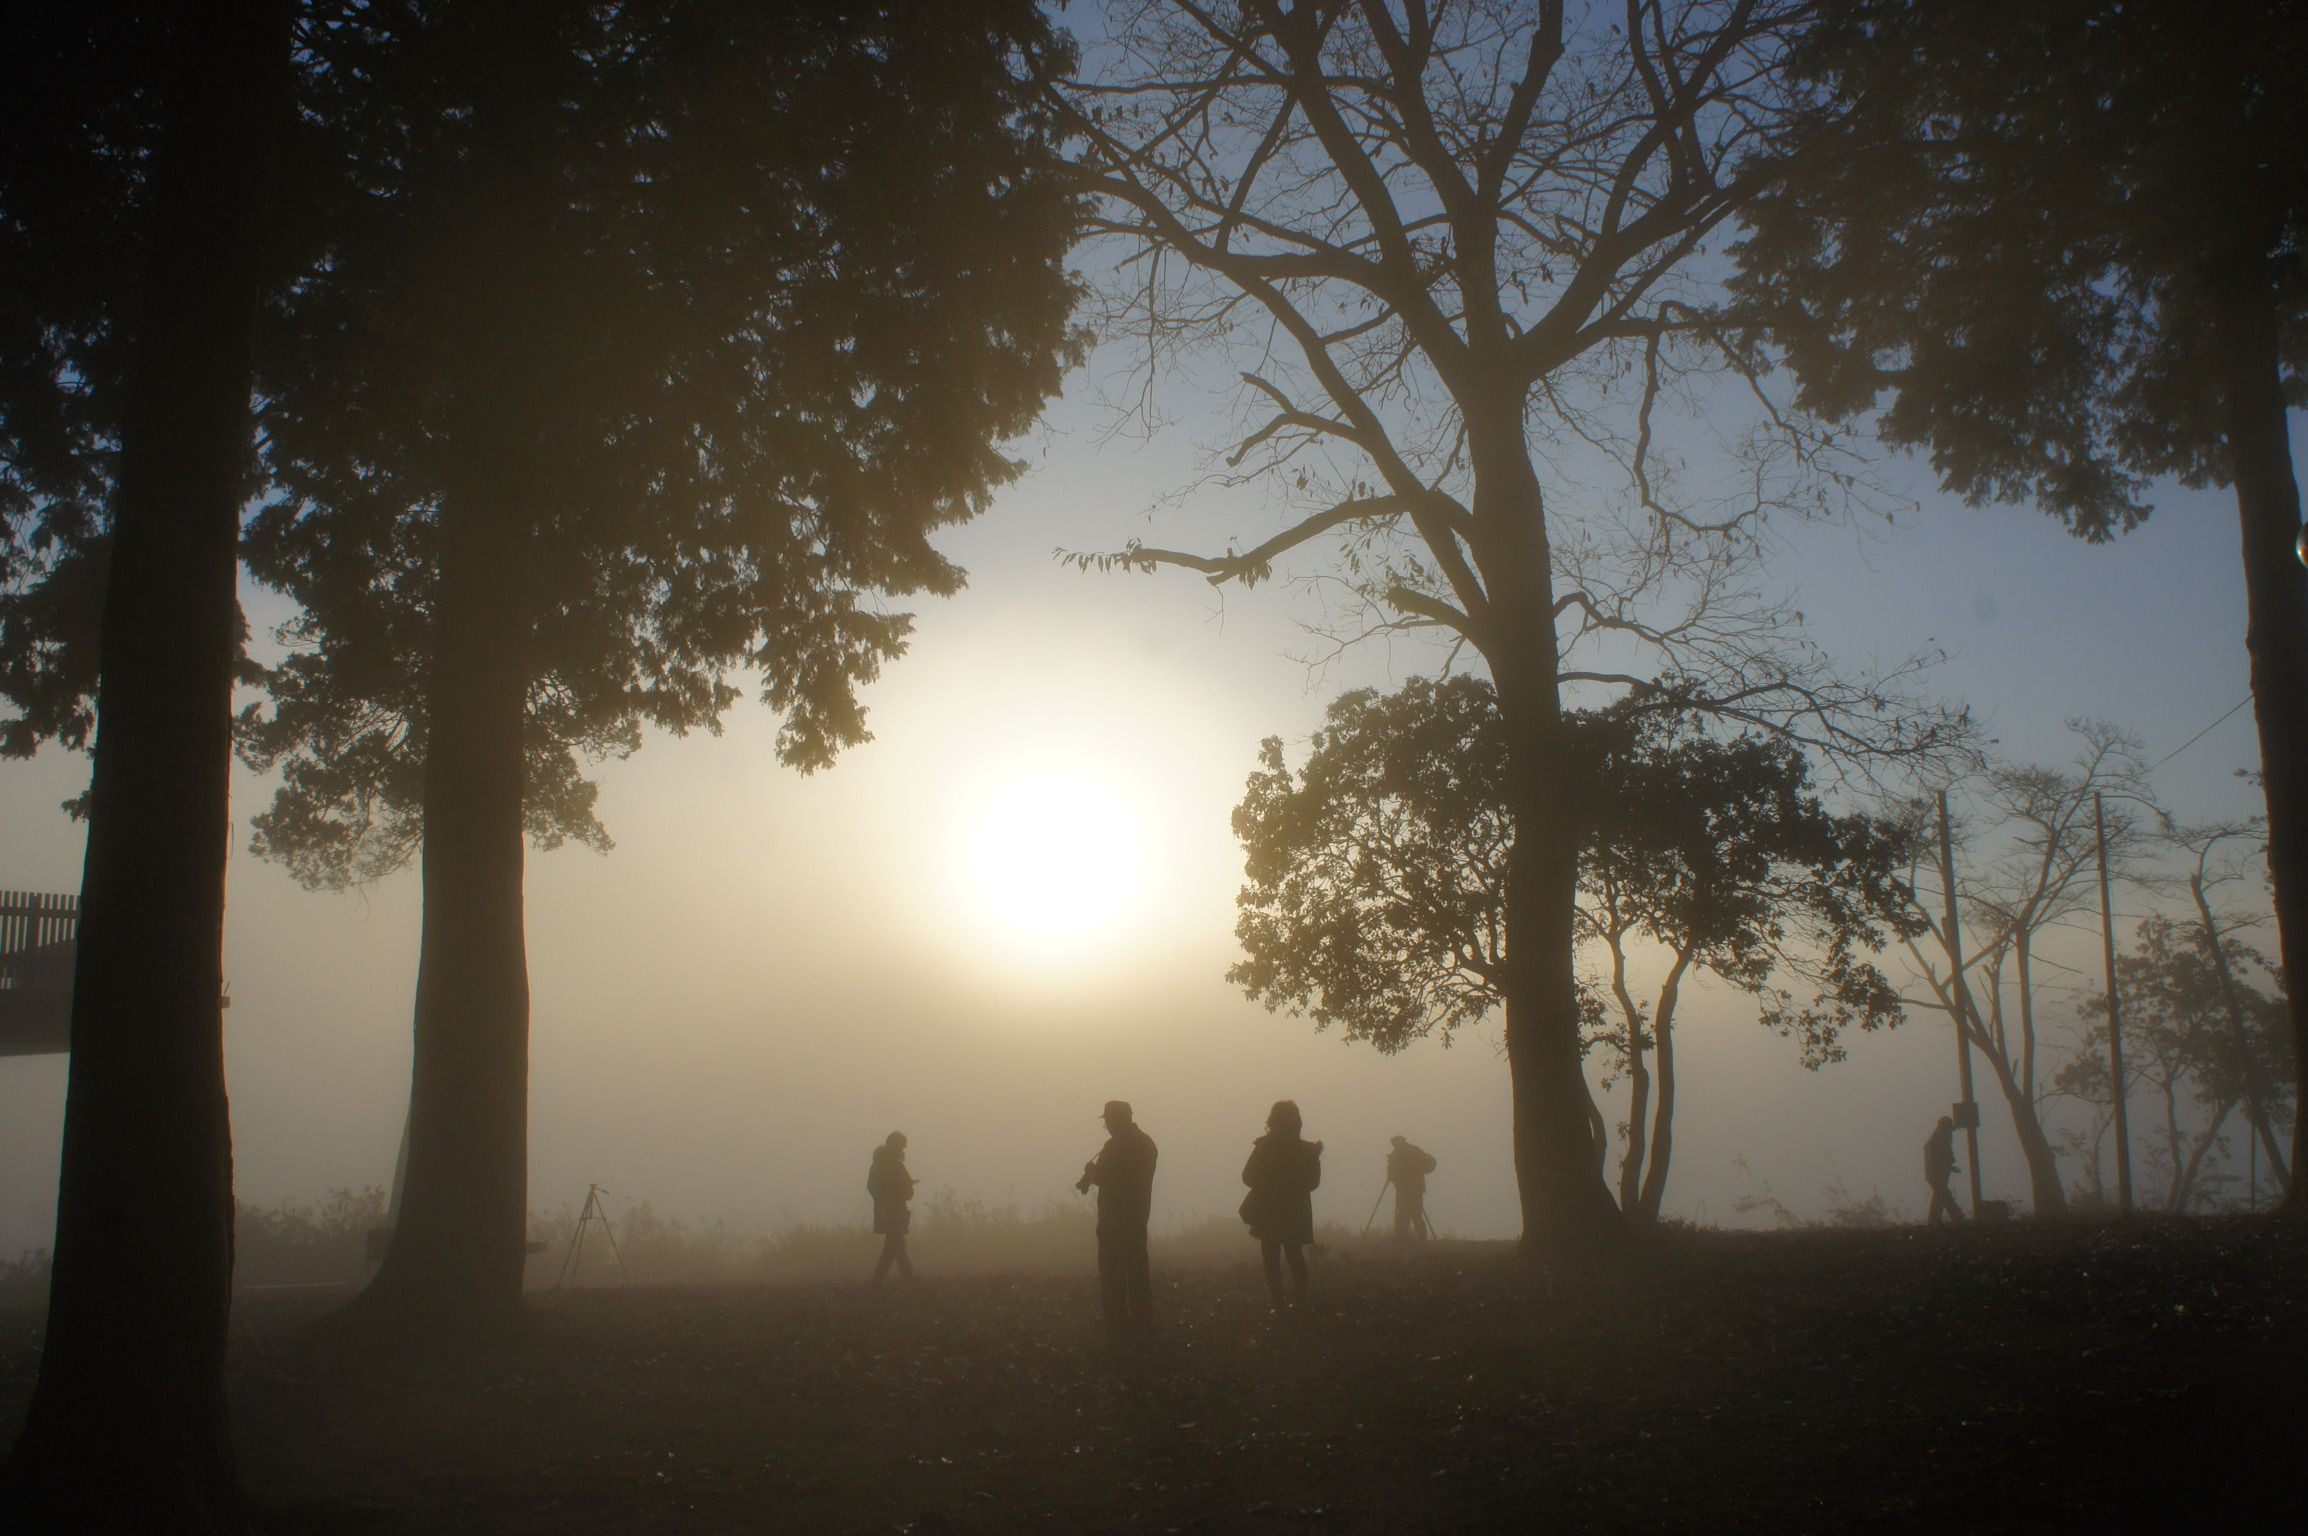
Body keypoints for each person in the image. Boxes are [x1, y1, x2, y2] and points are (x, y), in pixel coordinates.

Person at [1077, 1099, 1158, 1330]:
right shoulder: (1145, 1143)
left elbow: (1110, 1178)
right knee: (1137, 1267)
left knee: (1112, 1269)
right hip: (1138, 1215)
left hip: (1114, 1218)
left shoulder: (1116, 1146)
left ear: (1116, 1120)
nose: (1108, 1127)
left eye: (1109, 1122)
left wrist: (1092, 1173)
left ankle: (1116, 1319)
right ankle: (1142, 1317)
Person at [1240, 1100, 1322, 1310]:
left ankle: (1279, 1304)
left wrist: (1269, 1183)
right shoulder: (1308, 1150)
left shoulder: (1264, 1146)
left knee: (1271, 1259)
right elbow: (1313, 1183)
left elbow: (1248, 1177)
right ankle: (1299, 1302)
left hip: (1268, 1211)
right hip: (1295, 1212)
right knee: (1294, 1257)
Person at [867, 1131, 917, 1284]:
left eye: (902, 1146)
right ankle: (904, 1279)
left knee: (895, 1246)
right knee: (895, 1246)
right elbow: (875, 1188)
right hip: (891, 1213)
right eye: (900, 1145)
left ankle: (905, 1279)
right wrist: (901, 1190)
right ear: (893, 1145)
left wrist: (905, 1189)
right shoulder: (886, 1165)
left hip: (893, 1212)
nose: (901, 1149)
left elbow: (874, 1188)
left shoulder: (889, 1165)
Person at [1386, 1135, 1437, 1242]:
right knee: (1403, 1213)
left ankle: (1421, 1239)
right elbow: (1392, 1170)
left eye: (1395, 1143)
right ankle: (1401, 1237)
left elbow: (1430, 1162)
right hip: (1402, 1188)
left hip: (1414, 1189)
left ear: (1401, 1142)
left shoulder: (1413, 1151)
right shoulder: (1396, 1154)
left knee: (1415, 1213)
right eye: (1394, 1144)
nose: (1394, 1146)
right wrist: (1392, 1175)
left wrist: (1414, 1169)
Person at [1923, 1115, 1964, 1226]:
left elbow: (1941, 1158)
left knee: (1941, 1196)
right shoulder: (1938, 1140)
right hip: (1936, 1174)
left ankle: (1936, 1221)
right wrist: (1947, 1165)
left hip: (1937, 1174)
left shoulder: (1939, 1138)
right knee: (1943, 1195)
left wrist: (1950, 1166)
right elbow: (1937, 1159)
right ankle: (1956, 1217)